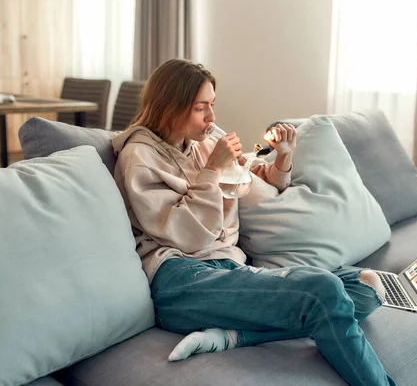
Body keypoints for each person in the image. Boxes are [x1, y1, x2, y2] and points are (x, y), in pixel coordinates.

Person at [112, 58, 396, 386]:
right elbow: (189, 237)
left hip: (228, 270)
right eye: (200, 108)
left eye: (212, 105)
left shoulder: (200, 144)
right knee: (324, 292)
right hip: (180, 280)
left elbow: (253, 180)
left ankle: (234, 336)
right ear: (169, 106)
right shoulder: (139, 158)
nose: (212, 117)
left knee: (365, 286)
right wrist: (213, 170)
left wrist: (284, 155)